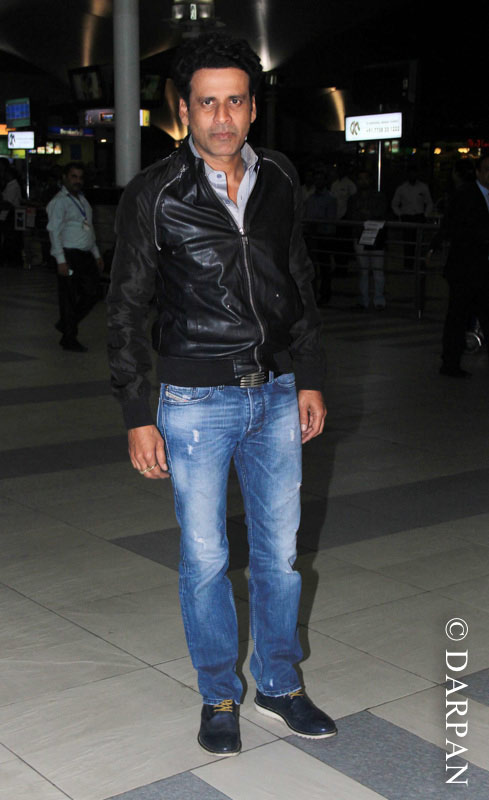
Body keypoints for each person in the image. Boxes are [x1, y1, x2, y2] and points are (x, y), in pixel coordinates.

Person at [107, 32, 337, 758]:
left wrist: (309, 373)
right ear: (184, 109)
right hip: (194, 400)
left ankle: (278, 683)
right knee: (205, 558)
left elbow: (297, 278)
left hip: (276, 392)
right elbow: (125, 308)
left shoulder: (278, 177)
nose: (222, 117)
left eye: (235, 101)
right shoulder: (155, 193)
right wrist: (138, 413)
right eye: (206, 103)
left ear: (252, 107)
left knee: (279, 556)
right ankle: (217, 694)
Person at [428, 155, 489, 377]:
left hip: (484, 268)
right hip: (465, 268)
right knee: (458, 316)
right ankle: (450, 363)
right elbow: (452, 225)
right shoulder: (465, 195)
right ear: (478, 172)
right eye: (487, 170)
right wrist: (434, 247)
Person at [46, 162, 104, 351]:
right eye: (73, 176)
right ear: (65, 178)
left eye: (80, 177)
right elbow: (54, 231)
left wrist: (96, 253)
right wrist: (60, 260)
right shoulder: (59, 202)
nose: (77, 181)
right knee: (69, 298)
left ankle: (66, 323)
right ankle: (69, 337)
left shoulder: (82, 200)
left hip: (85, 255)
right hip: (69, 255)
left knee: (94, 293)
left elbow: (88, 229)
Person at [346, 170, 387, 310]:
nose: (363, 181)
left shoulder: (379, 197)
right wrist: (367, 214)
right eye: (360, 179)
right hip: (359, 235)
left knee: (377, 269)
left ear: (370, 180)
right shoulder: (353, 199)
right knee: (363, 270)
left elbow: (380, 213)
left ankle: (379, 300)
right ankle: (364, 299)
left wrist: (365, 214)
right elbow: (351, 215)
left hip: (376, 236)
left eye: (366, 178)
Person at [303, 170, 337, 306]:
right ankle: (313, 293)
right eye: (316, 179)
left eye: (320, 179)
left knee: (324, 267)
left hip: (324, 236)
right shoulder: (310, 198)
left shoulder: (330, 198)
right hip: (312, 236)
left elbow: (330, 220)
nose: (318, 182)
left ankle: (325, 293)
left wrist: (317, 225)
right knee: (311, 267)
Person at [391, 165, 433, 269]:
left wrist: (425, 215)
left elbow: (429, 202)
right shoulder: (402, 188)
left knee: (420, 243)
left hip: (419, 217)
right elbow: (394, 204)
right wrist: (400, 215)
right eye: (411, 173)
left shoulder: (423, 187)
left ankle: (419, 265)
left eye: (414, 173)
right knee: (408, 243)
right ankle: (409, 265)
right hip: (407, 217)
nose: (412, 175)